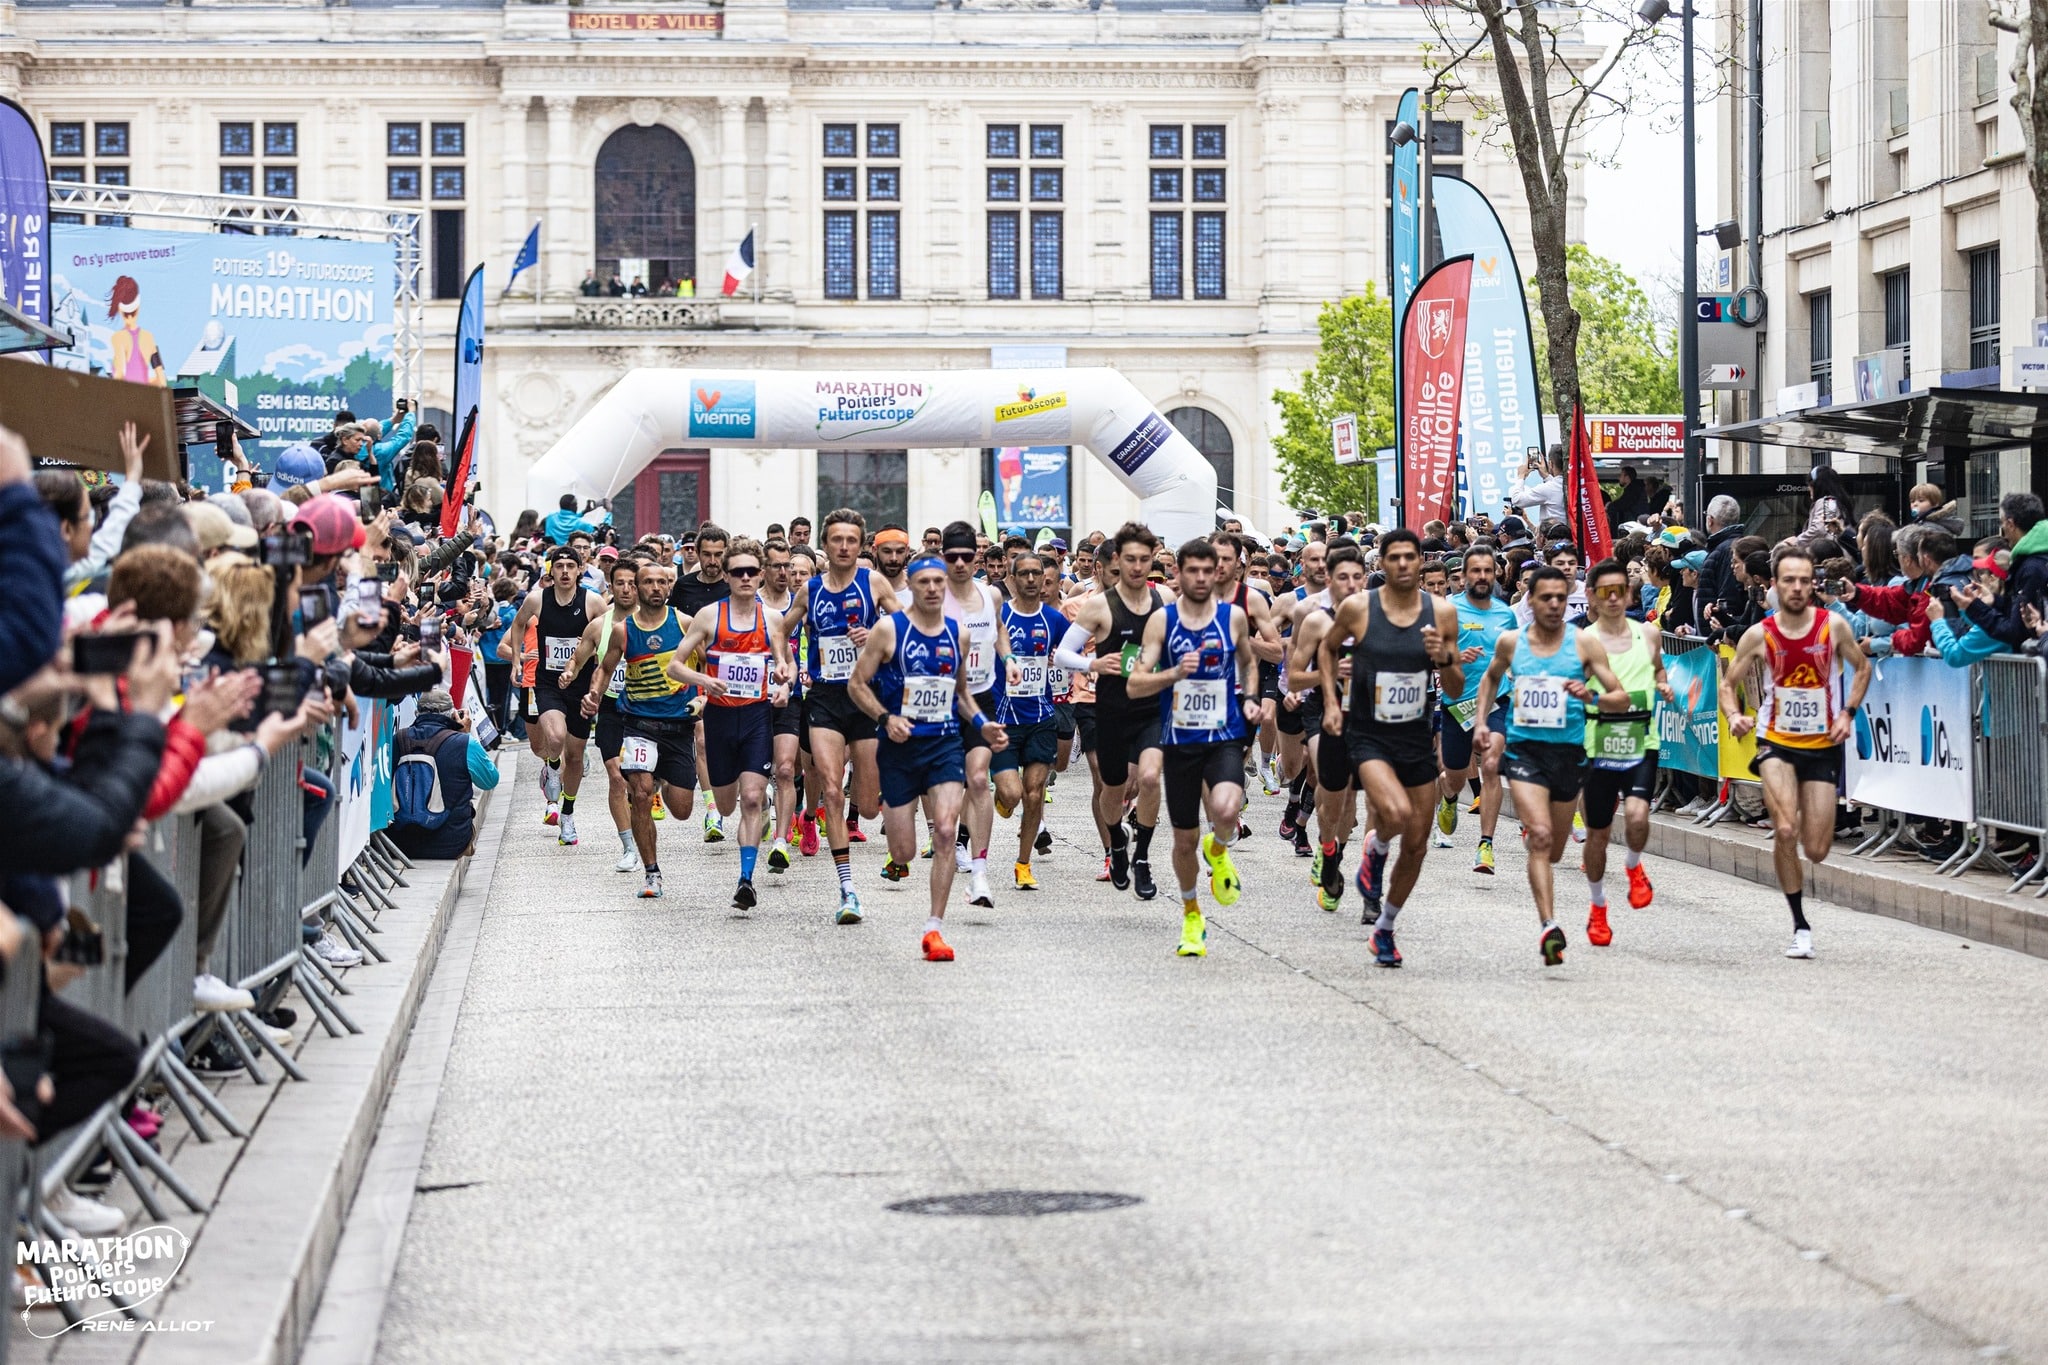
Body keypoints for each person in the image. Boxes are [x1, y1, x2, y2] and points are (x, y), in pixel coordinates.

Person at [846, 554, 1008, 962]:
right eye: (925, 582)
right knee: (903, 851)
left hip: (944, 743)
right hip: (899, 750)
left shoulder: (958, 634)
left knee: (947, 831)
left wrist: (982, 724)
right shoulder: (889, 630)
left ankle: (934, 928)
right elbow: (857, 684)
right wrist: (885, 718)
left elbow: (961, 694)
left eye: (939, 581)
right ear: (912, 586)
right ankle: (900, 851)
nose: (933, 588)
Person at [1472, 567, 1630, 966]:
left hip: (1568, 756)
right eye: (1547, 598)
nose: (1555, 605)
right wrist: (1481, 723)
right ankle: (1548, 925)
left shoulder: (1584, 644)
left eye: (1562, 597)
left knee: (1554, 850)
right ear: (1530, 600)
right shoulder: (1511, 642)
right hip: (1525, 753)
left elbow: (1621, 698)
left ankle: (1540, 855)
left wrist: (1591, 697)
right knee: (1540, 836)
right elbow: (1490, 679)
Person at [1318, 530, 1463, 966]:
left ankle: (1385, 927)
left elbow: (1455, 686)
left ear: (1420, 562)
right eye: (1394, 557)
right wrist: (1332, 704)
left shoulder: (1442, 613)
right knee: (1396, 814)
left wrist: (1444, 657)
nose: (1402, 564)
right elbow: (1327, 650)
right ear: (1381, 563)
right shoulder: (1359, 608)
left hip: (1416, 737)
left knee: (1417, 844)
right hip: (1368, 735)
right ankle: (1376, 849)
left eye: (1409, 557)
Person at [1722, 547, 1873, 959]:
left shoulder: (1833, 626)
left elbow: (1862, 668)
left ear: (1813, 585)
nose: (1797, 588)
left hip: (1821, 745)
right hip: (1775, 741)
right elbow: (1728, 683)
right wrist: (1734, 715)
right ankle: (1800, 926)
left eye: (1805, 580)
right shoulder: (1760, 634)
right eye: (1789, 580)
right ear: (1774, 584)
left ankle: (1803, 809)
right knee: (1786, 830)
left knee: (1818, 850)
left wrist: (1848, 713)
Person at [1123, 537, 1265, 958]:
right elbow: (1135, 683)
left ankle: (1217, 849)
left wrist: (1251, 697)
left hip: (1224, 735)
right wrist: (1172, 675)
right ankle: (1191, 915)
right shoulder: (1162, 622)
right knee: (1183, 841)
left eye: (1209, 569)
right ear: (1179, 573)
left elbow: (1249, 663)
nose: (1203, 577)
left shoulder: (1232, 617)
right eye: (1194, 571)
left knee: (1226, 809)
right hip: (1179, 741)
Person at [778, 509, 901, 924]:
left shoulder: (874, 583)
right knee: (831, 790)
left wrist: (878, 633)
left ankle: (873, 799)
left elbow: (907, 626)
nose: (844, 547)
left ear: (861, 545)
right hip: (825, 697)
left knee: (867, 805)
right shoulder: (810, 590)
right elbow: (781, 630)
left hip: (865, 696)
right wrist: (784, 663)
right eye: (837, 540)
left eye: (851, 540)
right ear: (825, 545)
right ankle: (847, 889)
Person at [664, 539, 792, 910]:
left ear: (761, 573)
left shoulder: (772, 619)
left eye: (752, 571)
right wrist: (704, 681)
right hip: (719, 717)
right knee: (724, 805)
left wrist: (784, 683)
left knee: (750, 798)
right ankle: (744, 805)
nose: (746, 578)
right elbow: (675, 665)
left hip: (756, 717)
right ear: (727, 575)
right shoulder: (709, 616)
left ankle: (745, 880)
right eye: (738, 572)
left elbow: (785, 663)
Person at [1055, 523, 1171, 900]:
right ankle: (1117, 844)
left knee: (1150, 778)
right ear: (1117, 560)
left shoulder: (1165, 599)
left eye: (1144, 560)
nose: (1137, 567)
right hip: (1111, 709)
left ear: (1152, 560)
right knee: (1112, 787)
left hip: (1151, 708)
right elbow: (1063, 653)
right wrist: (1092, 664)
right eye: (1130, 560)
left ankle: (1142, 857)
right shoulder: (1100, 606)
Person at [1577, 558, 1676, 944]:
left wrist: (1662, 684)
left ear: (1630, 593)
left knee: (1637, 817)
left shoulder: (1649, 634)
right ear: (1593, 596)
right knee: (1597, 834)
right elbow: (1571, 685)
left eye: (1621, 590)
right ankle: (1598, 906)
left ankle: (1634, 866)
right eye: (1606, 591)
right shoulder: (1584, 641)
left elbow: (1658, 669)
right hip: (1598, 743)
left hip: (1640, 740)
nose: (1615, 597)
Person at [592, 557, 699, 898]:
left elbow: (709, 666)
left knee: (681, 809)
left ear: (669, 587)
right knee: (640, 793)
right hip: (638, 725)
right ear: (637, 589)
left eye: (662, 582)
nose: (656, 587)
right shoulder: (624, 631)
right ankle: (652, 873)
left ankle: (664, 777)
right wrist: (594, 694)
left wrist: (705, 698)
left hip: (678, 726)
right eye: (648, 582)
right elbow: (605, 668)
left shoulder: (685, 623)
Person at [933, 521, 1014, 907]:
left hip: (981, 698)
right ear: (943, 557)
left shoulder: (990, 594)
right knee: (950, 789)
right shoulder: (932, 597)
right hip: (942, 703)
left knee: (979, 779)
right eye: (953, 557)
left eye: (967, 556)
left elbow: (998, 630)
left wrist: (1009, 659)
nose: (961, 564)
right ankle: (948, 842)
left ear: (976, 557)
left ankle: (980, 873)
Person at [1284, 544, 1367, 911]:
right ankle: (1325, 840)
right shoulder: (1317, 620)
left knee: (1348, 800)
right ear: (1330, 579)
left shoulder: (1376, 617)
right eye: (1342, 577)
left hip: (1363, 712)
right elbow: (1295, 677)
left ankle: (1332, 854)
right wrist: (1330, 673)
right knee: (1329, 784)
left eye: (1357, 577)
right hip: (1322, 709)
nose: (1350, 584)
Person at [502, 546, 603, 842]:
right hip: (548, 683)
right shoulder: (538, 599)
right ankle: (552, 767)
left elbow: (611, 635)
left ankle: (567, 814)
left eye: (571, 566)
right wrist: (517, 660)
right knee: (555, 738)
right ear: (551, 570)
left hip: (580, 686)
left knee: (576, 756)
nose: (565, 571)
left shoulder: (593, 602)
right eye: (560, 566)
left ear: (580, 570)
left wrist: (595, 658)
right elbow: (518, 623)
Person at [1434, 544, 1517, 875]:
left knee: (1492, 763)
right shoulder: (1447, 610)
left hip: (1496, 700)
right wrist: (1454, 658)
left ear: (1495, 573)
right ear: (1464, 575)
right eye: (1475, 570)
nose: (1482, 576)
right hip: (1457, 704)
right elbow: (1430, 657)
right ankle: (1450, 797)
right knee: (1454, 777)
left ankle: (1486, 845)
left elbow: (1514, 658)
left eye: (1487, 570)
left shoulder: (1505, 614)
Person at [568, 553, 645, 872]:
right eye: (620, 583)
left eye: (632, 583)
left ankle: (642, 826)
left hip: (647, 709)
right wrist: (569, 673)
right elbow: (579, 659)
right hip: (612, 707)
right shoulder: (599, 626)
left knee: (642, 783)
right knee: (616, 776)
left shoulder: (655, 622)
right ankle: (628, 847)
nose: (626, 589)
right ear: (610, 587)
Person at [992, 551, 1062, 889]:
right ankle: (1002, 800)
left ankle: (1023, 864)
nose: (1032, 580)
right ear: (1013, 577)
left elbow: (1073, 651)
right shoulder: (1000, 616)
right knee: (1012, 794)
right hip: (1003, 719)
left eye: (1037, 573)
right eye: (1025, 574)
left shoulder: (1054, 620)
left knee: (1034, 794)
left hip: (1041, 717)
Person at [388, 689, 502, 859]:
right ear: (453, 714)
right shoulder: (463, 742)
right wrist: (467, 735)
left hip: (401, 844)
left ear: (416, 713)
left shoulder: (398, 739)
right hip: (452, 843)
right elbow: (490, 780)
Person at [1802, 465, 1853, 544]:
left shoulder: (1828, 502)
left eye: (1810, 484)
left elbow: (1820, 529)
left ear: (1817, 485)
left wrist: (1797, 541)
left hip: (1826, 550)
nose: (1809, 488)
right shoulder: (1835, 502)